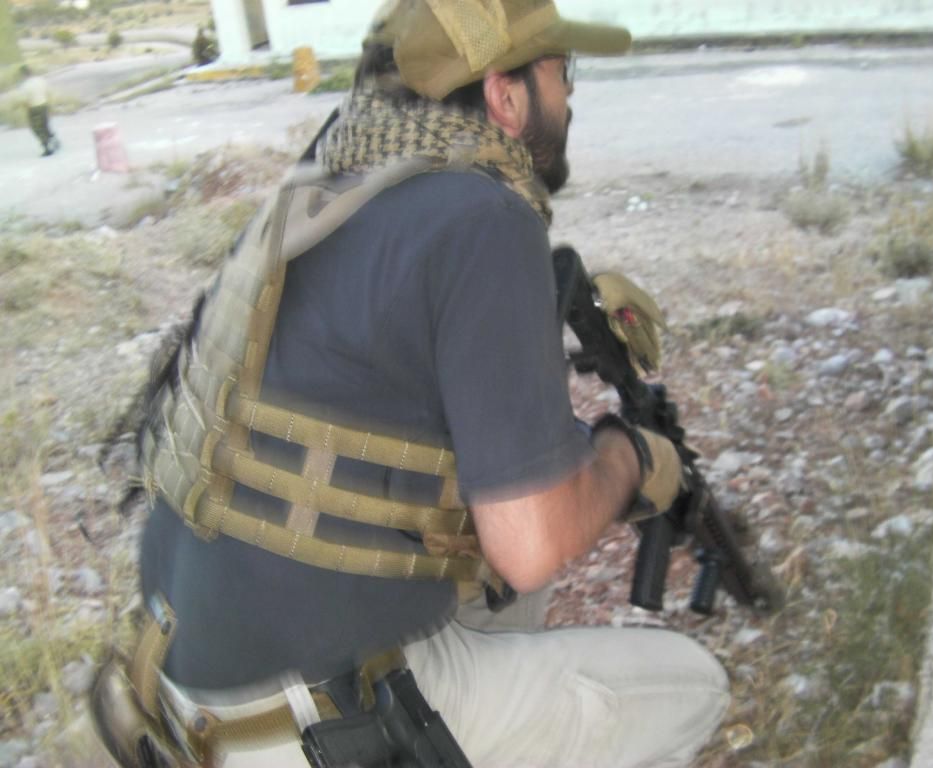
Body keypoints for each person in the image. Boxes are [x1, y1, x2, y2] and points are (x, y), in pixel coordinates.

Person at [99, 1, 730, 766]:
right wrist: (629, 458)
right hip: (314, 723)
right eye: (560, 70)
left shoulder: (337, 176)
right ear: (504, 95)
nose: (569, 93)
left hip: (180, 683)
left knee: (505, 577)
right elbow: (531, 544)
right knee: (696, 686)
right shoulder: (485, 217)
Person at [13, 65, 60, 156]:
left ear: (23, 75)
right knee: (45, 125)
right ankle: (54, 140)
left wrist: (24, 109)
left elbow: (24, 100)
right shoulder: (40, 80)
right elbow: (48, 92)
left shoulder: (25, 86)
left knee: (37, 128)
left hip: (33, 108)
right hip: (44, 105)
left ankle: (47, 148)